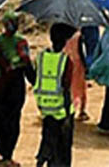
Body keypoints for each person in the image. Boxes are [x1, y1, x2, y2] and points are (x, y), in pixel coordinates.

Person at [0, 13, 35, 166]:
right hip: (15, 85)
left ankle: (3, 151)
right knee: (13, 119)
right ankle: (8, 154)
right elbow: (26, 63)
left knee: (1, 118)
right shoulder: (21, 42)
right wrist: (34, 81)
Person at [34, 23, 77, 167]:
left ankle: (43, 158)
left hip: (45, 108)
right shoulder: (66, 61)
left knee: (48, 138)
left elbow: (36, 79)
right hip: (61, 109)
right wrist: (66, 113)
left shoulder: (41, 57)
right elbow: (66, 87)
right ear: (65, 41)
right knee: (63, 147)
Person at [62, 28, 89, 122]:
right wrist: (86, 65)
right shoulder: (79, 36)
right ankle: (82, 110)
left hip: (66, 63)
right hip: (78, 65)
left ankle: (68, 109)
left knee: (69, 88)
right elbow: (82, 52)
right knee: (81, 88)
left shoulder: (63, 36)